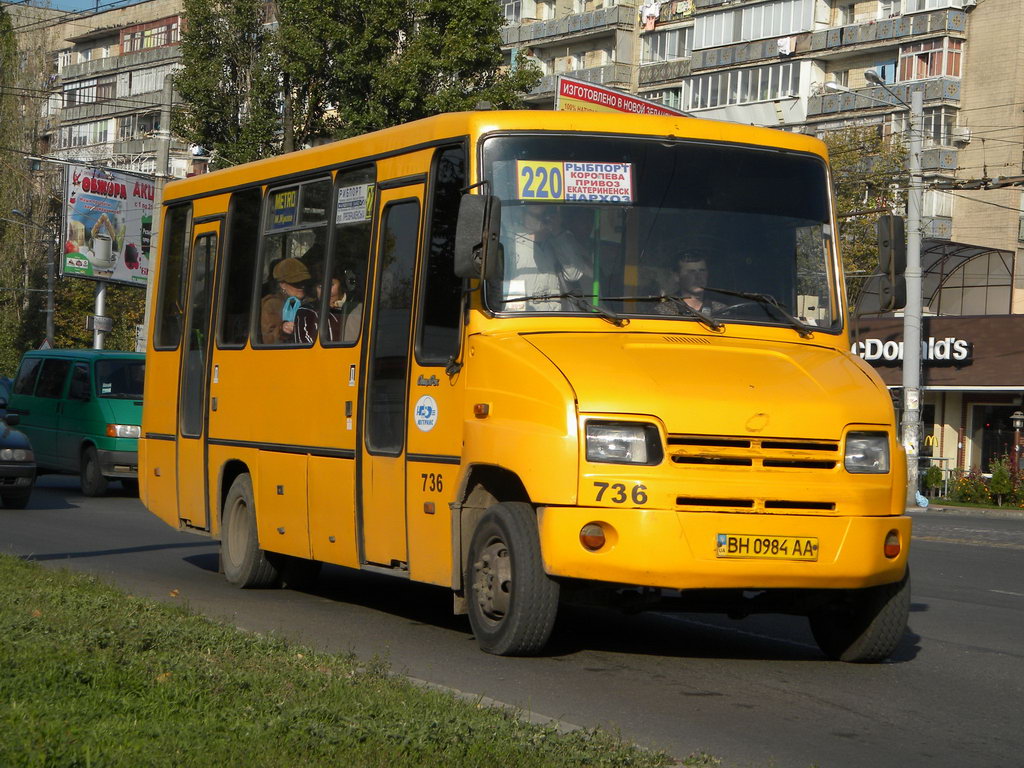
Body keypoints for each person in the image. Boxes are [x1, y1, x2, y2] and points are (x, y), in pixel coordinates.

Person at [273, 257, 318, 344]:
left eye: (304, 281)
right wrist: (282, 329)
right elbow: (267, 338)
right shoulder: (272, 304)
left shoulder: (312, 303)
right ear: (282, 284)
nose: (302, 286)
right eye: (296, 283)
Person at [321, 267, 362, 343]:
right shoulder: (313, 308)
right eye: (320, 286)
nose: (325, 291)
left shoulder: (355, 303)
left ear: (342, 283)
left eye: (331, 285)